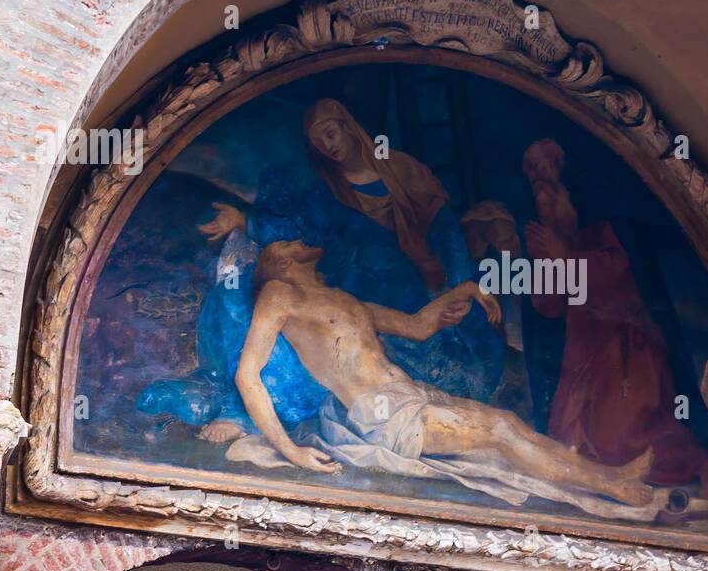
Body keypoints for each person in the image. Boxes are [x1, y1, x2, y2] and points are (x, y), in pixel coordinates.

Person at [138, 97, 503, 442]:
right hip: (356, 285)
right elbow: (302, 234)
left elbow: (446, 234)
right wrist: (246, 222)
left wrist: (462, 284)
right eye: (318, 141)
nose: (328, 145)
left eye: (331, 133)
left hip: (408, 287)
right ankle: (246, 416)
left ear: (349, 128)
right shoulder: (329, 192)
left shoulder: (404, 170)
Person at [235, 239, 658, 517]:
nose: (299, 239)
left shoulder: (346, 301)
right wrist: (290, 452)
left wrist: (468, 289)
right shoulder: (281, 294)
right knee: (500, 428)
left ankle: (611, 475)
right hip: (382, 414)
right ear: (283, 262)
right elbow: (247, 374)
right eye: (288, 242)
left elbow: (418, 326)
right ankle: (609, 485)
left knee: (508, 426)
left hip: (409, 394)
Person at [522, 138, 708, 500]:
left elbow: (618, 278)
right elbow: (548, 307)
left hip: (627, 351)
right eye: (532, 175)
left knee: (620, 434)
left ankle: (696, 460)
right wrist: (547, 261)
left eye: (545, 170)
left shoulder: (605, 228)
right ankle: (604, 488)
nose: (539, 183)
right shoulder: (553, 233)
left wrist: (564, 255)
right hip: (582, 356)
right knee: (569, 437)